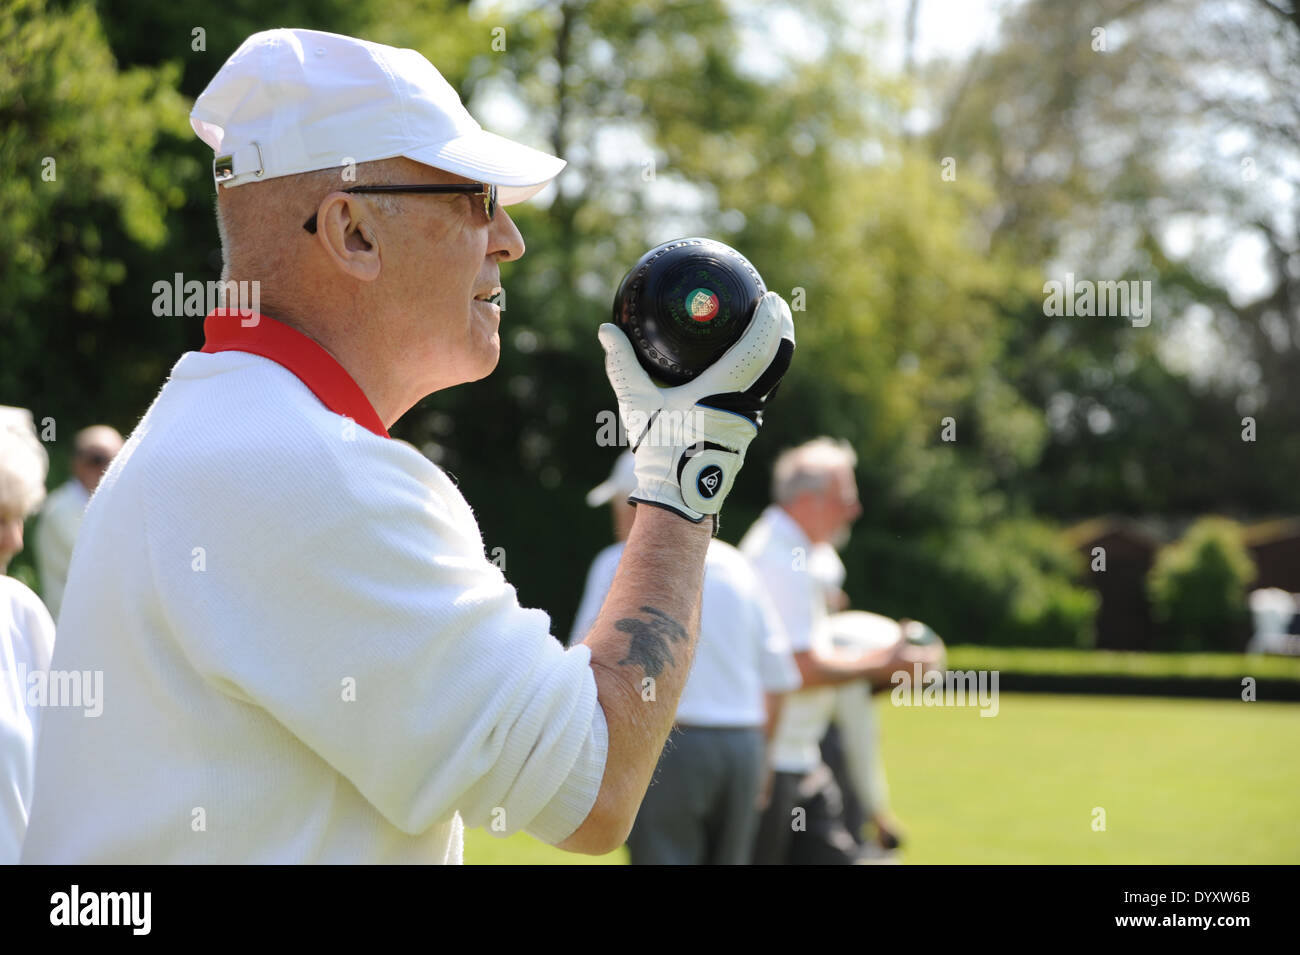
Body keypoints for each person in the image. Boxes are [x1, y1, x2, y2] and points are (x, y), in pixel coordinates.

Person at [21, 29, 794, 863]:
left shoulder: (229, 427)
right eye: (473, 197)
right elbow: (595, 786)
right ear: (352, 231)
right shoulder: (300, 468)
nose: (508, 238)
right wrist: (684, 474)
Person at [571, 451, 801, 864]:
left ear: (636, 505)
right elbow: (780, 676)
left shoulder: (615, 564)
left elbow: (582, 665)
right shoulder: (739, 565)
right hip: (745, 745)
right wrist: (765, 759)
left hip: (669, 748)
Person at [742, 438, 934, 864]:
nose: (854, 510)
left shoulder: (795, 551)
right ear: (809, 501)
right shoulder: (781, 557)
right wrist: (886, 662)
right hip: (775, 765)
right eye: (845, 498)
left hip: (797, 757)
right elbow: (799, 669)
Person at [0, 409, 56, 863]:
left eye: (17, 517)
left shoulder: (21, 614)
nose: (15, 540)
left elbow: (70, 771)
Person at [34, 425, 123, 619]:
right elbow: (105, 561)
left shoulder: (111, 504)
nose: (107, 467)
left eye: (119, 459)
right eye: (97, 460)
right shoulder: (59, 510)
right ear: (76, 463)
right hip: (72, 632)